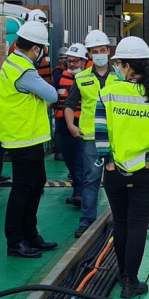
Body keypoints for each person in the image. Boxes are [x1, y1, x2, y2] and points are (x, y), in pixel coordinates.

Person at [95, 36, 149, 299]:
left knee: (120, 222)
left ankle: (122, 273)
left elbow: (100, 131)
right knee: (138, 223)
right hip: (145, 171)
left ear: (128, 66)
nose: (117, 67)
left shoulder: (108, 93)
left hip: (113, 171)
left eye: (119, 63)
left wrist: (107, 161)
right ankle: (131, 281)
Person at [0, 21, 59, 258]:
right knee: (23, 189)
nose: (42, 54)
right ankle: (15, 242)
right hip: (23, 137)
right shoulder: (24, 69)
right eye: (41, 48)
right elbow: (51, 94)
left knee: (35, 184)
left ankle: (31, 235)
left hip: (25, 137)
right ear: (35, 48)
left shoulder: (12, 62)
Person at [65, 29, 119, 238]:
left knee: (120, 179)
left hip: (117, 137)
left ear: (109, 51)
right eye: (94, 51)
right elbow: (70, 104)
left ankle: (121, 218)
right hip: (91, 138)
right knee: (91, 179)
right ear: (88, 55)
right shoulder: (82, 78)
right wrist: (71, 124)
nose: (98, 54)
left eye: (102, 50)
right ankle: (87, 220)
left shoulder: (121, 76)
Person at [56, 43, 89, 207]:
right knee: (69, 158)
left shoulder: (89, 79)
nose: (72, 64)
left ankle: (80, 193)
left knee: (80, 160)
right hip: (63, 124)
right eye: (69, 61)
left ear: (83, 62)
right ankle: (78, 190)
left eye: (75, 61)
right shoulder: (60, 77)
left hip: (81, 124)